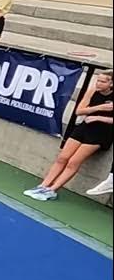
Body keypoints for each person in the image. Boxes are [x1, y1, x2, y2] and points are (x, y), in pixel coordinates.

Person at [24, 70, 113, 201]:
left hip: (101, 133)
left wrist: (99, 118)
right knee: (62, 157)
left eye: (103, 81)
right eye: (98, 80)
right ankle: (43, 185)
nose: (98, 83)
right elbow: (79, 111)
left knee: (73, 161)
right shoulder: (92, 91)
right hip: (84, 127)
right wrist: (98, 108)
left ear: (111, 83)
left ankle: (52, 190)